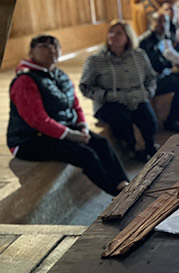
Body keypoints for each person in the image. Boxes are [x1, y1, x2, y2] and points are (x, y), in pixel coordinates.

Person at [7, 35, 129, 196]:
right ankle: (117, 194)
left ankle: (124, 185)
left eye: (55, 46)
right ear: (31, 52)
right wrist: (72, 135)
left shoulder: (60, 75)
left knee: (101, 143)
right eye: (44, 46)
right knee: (84, 153)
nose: (51, 49)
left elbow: (75, 105)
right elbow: (37, 120)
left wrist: (82, 127)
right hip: (28, 140)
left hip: (60, 131)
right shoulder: (25, 80)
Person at [80, 20, 159, 162]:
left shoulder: (139, 55)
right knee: (123, 120)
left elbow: (151, 77)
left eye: (118, 33)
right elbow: (85, 87)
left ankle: (150, 147)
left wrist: (147, 93)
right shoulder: (95, 60)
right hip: (109, 102)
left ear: (128, 37)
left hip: (136, 97)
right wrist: (106, 96)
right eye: (111, 32)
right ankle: (134, 148)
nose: (113, 35)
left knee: (149, 120)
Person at [140, 12, 179, 133]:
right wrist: (169, 64)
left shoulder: (161, 38)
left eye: (165, 21)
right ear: (151, 24)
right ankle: (171, 121)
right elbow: (154, 65)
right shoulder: (146, 41)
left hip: (161, 74)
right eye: (159, 22)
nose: (163, 25)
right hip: (151, 80)